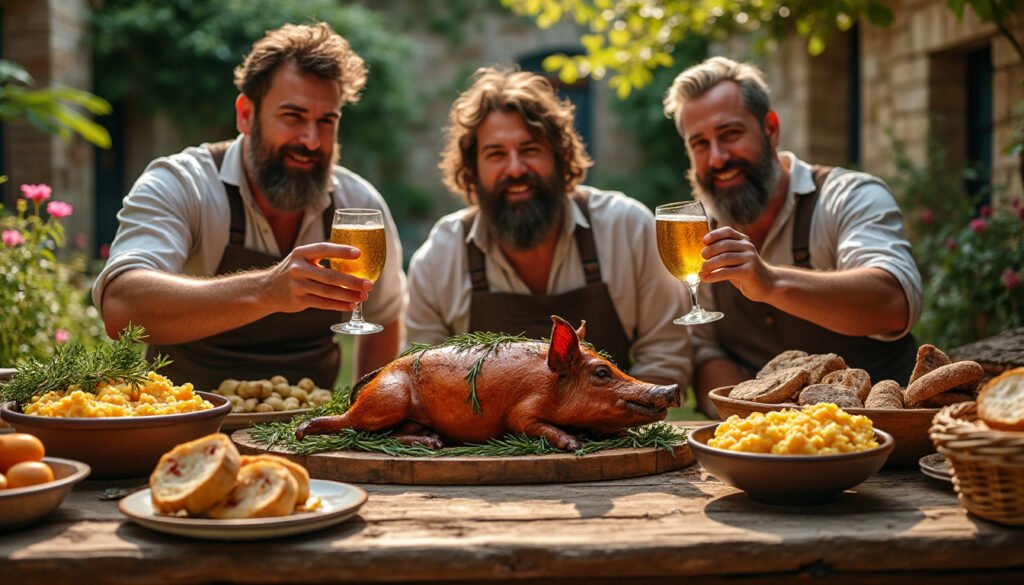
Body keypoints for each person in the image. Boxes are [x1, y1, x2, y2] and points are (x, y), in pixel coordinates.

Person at [92, 23, 406, 391]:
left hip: (306, 432)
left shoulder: (359, 203)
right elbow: (120, 307)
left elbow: (385, 317)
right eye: (293, 116)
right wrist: (267, 290)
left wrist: (361, 413)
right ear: (246, 114)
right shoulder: (183, 183)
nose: (310, 140)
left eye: (326, 121)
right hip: (189, 425)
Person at [663, 56, 921, 416]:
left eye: (730, 134)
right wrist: (756, 417)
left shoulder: (848, 195)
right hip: (773, 452)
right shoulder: (696, 233)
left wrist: (769, 282)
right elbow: (705, 351)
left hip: (887, 442)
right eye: (700, 144)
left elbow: (894, 304)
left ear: (770, 128)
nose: (718, 158)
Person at [404, 67, 691, 388]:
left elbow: (666, 359)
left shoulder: (628, 229)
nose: (515, 169)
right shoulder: (439, 259)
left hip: (615, 435)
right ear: (471, 170)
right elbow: (424, 380)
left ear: (560, 156)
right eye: (496, 154)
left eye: (530, 150)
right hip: (487, 440)